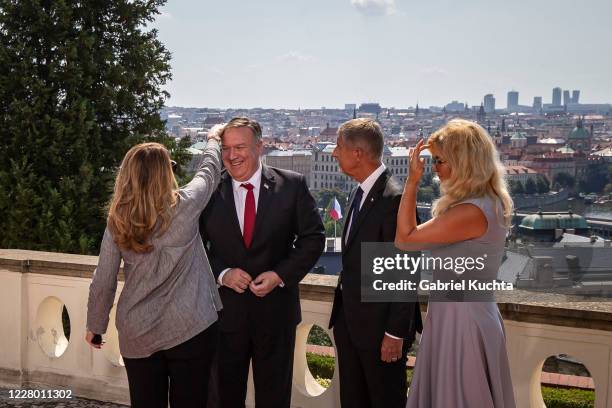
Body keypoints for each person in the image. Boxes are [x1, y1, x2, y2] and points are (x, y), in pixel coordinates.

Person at [85, 125, 224, 408]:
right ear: (166, 174)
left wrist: (95, 326)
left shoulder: (117, 220)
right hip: (191, 325)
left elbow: (104, 279)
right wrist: (212, 140)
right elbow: (208, 174)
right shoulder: (185, 206)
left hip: (138, 329)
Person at [199, 117, 325, 408]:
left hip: (276, 316)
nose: (232, 155)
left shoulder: (292, 186)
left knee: (274, 399)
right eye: (227, 148)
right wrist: (222, 273)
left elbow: (313, 238)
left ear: (260, 147)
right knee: (223, 399)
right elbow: (193, 246)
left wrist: (280, 275)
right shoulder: (209, 192)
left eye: (240, 147)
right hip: (223, 316)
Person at [395, 119, 516, 407]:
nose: (434, 168)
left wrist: (412, 182)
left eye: (439, 160)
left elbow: (405, 239)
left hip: (460, 322)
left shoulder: (471, 212)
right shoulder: (489, 203)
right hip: (467, 314)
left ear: (463, 162)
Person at [328, 118, 422, 408]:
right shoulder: (360, 191)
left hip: (381, 332)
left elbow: (406, 270)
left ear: (358, 154)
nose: (333, 153)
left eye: (339, 146)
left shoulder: (394, 198)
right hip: (353, 326)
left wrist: (394, 333)